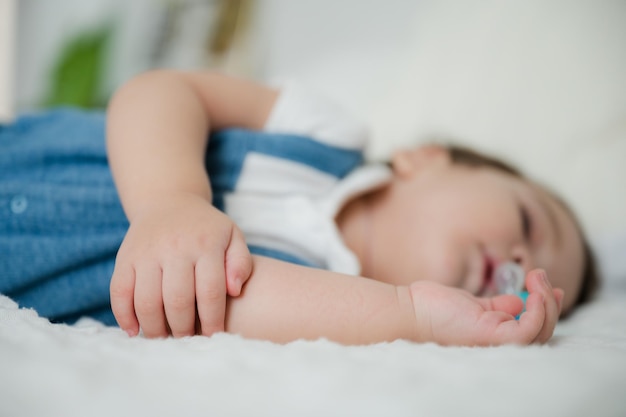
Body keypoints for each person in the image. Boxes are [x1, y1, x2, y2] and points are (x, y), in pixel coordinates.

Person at [0, 70, 598, 346]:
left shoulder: (340, 313)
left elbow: (228, 310)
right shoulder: (325, 137)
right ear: (426, 158)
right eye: (528, 224)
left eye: (530, 287)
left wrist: (417, 317)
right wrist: (170, 200)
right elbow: (159, 91)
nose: (522, 263)